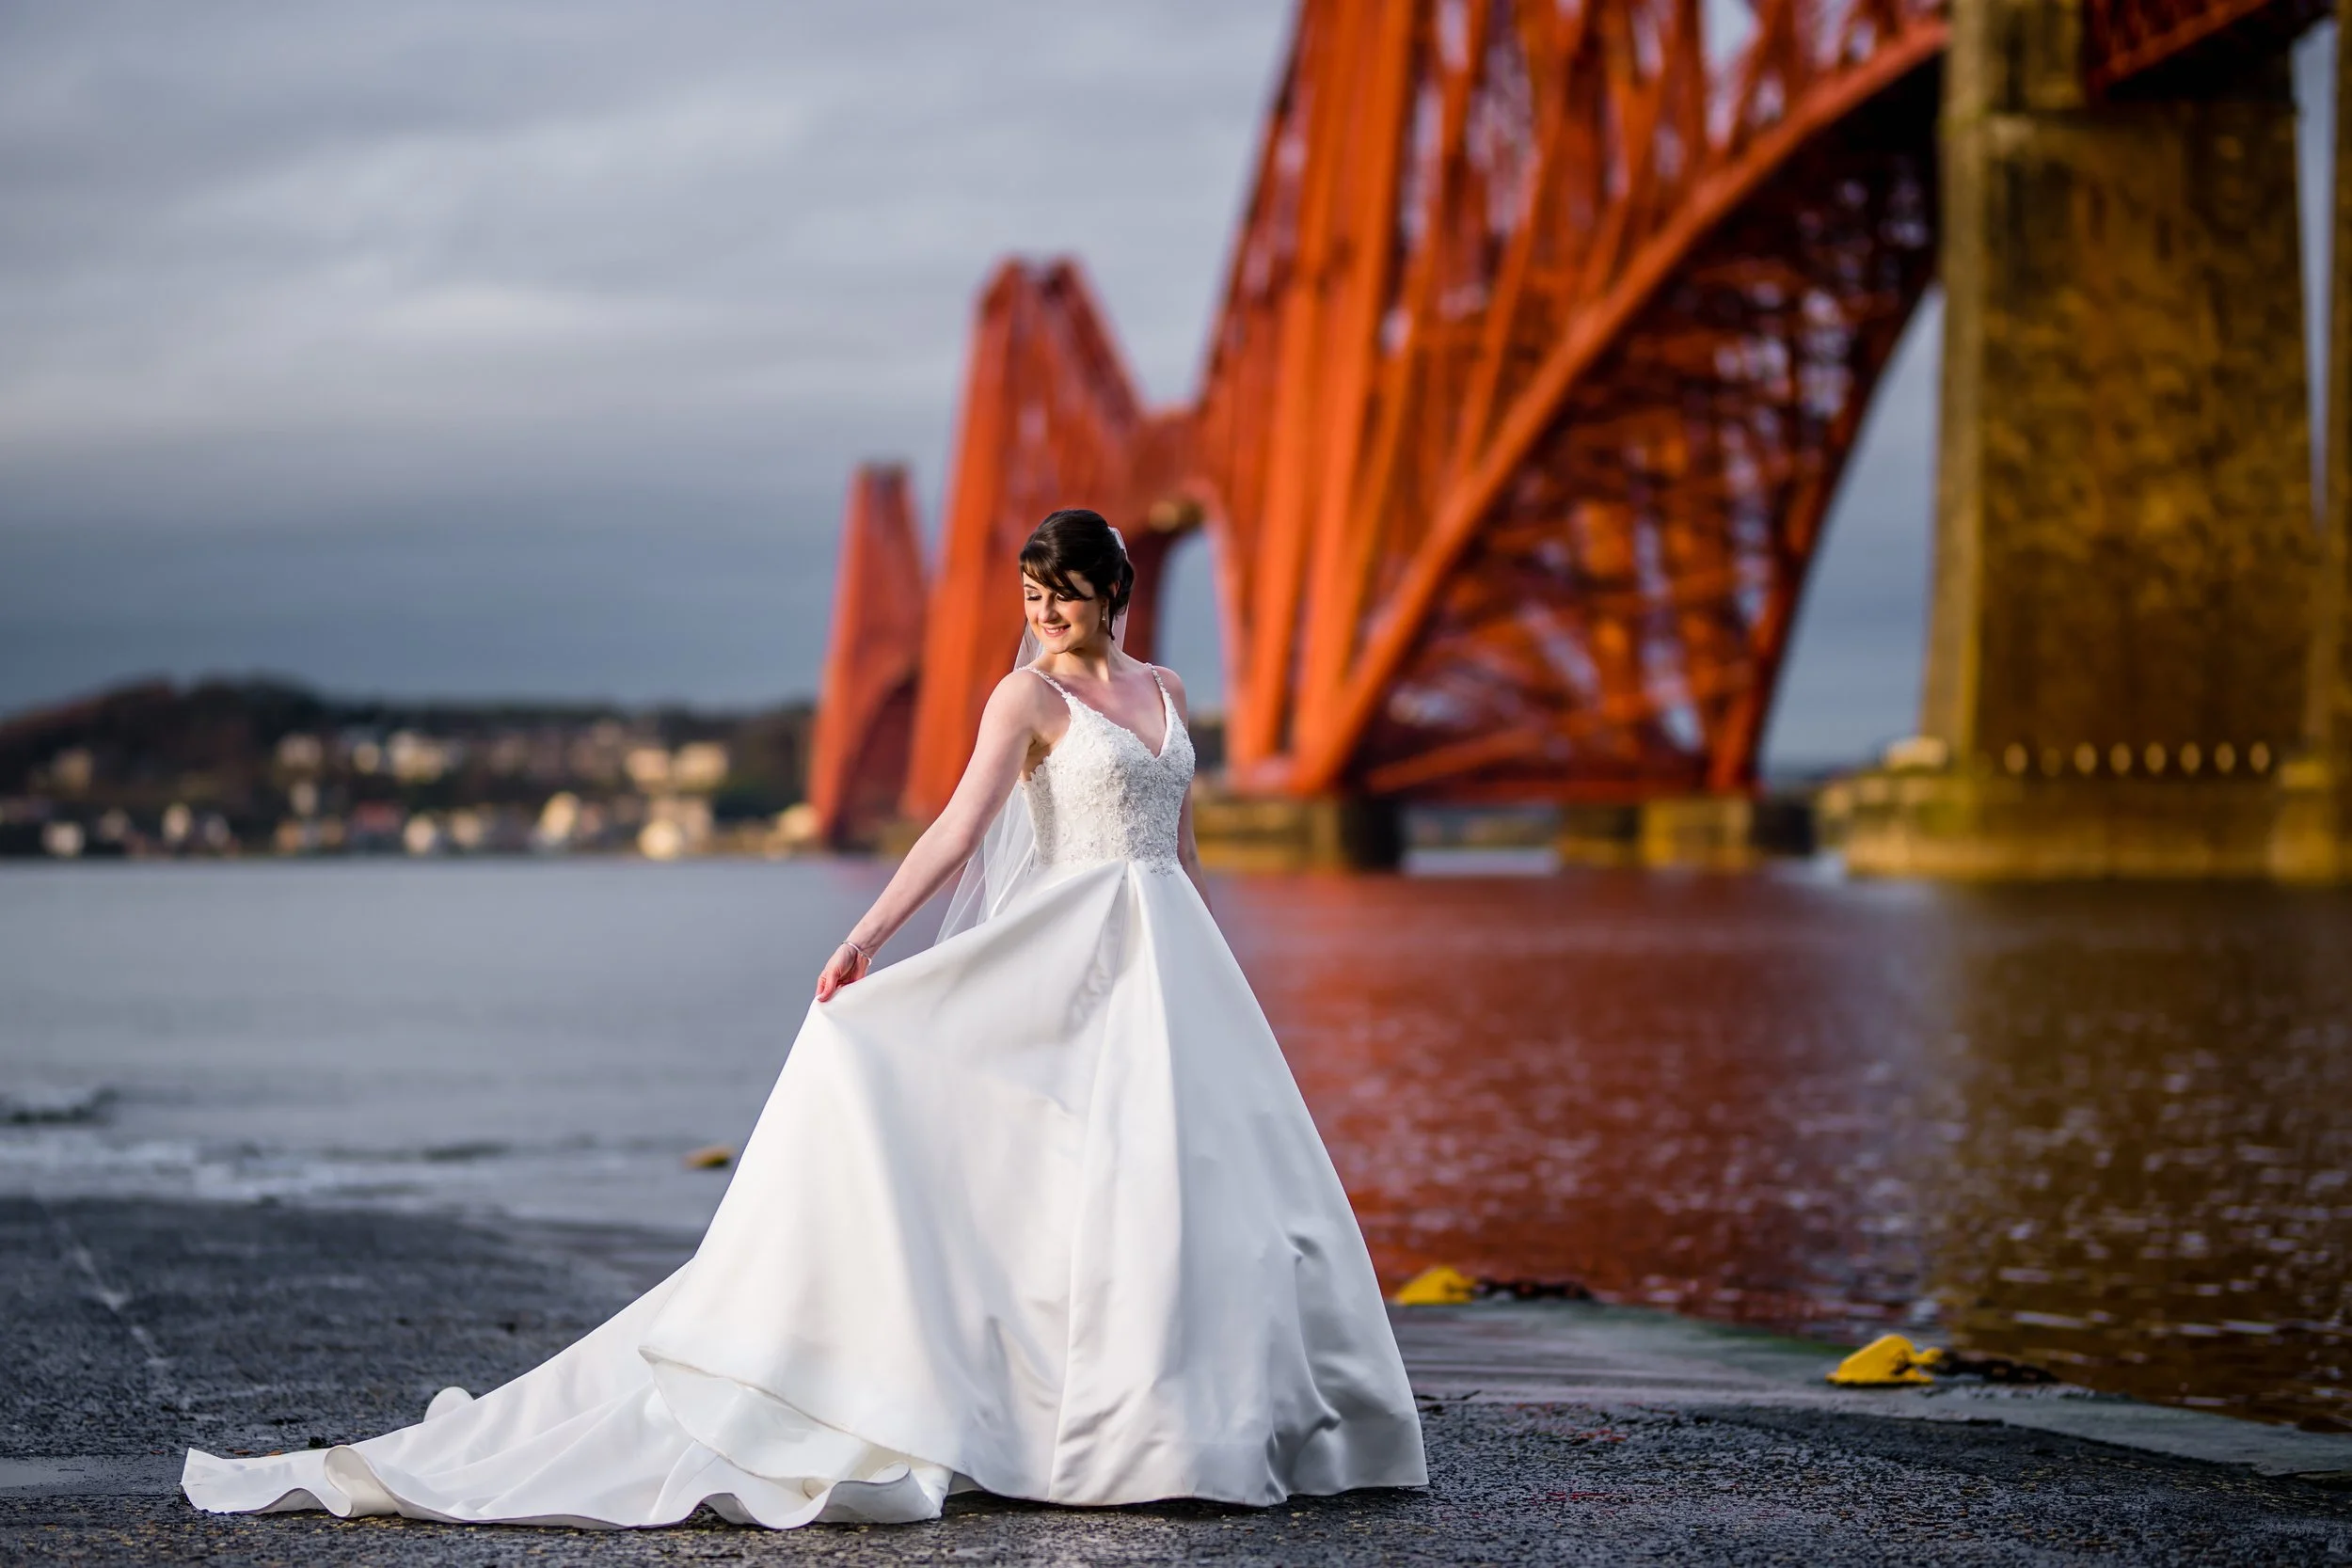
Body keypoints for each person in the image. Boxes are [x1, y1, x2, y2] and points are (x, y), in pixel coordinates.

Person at [182, 507, 1427, 1529]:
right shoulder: (1025, 701)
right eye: (1032, 592)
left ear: (1113, 587)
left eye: (1063, 591)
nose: (1044, 611)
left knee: (1196, 1183)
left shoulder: (1163, 690)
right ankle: (1097, 1424)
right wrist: (867, 937)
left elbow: (1185, 842)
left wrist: (1212, 955)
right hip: (1071, 960)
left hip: (1174, 961)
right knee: (1069, 1165)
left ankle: (1203, 1421)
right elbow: (955, 828)